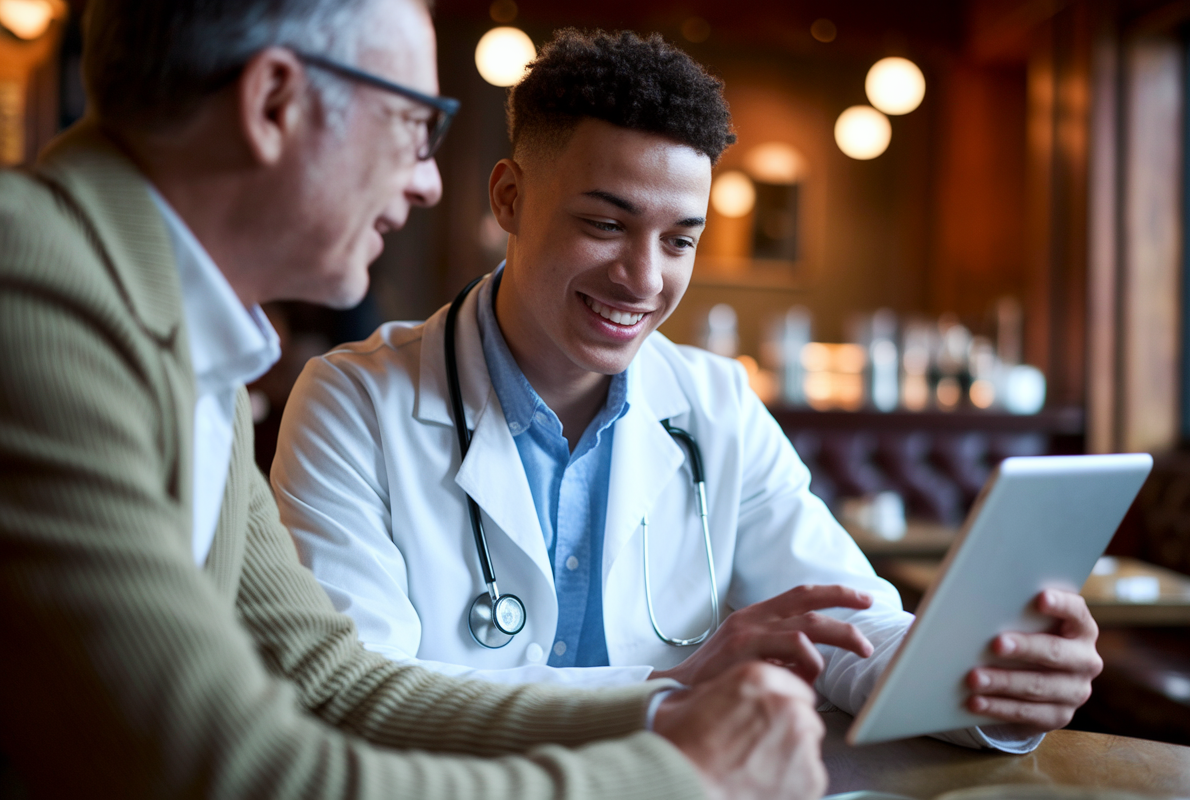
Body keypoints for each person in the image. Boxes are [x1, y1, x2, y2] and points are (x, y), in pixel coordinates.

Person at [0, 2, 830, 798]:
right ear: (274, 103)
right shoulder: (32, 286)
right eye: (411, 124)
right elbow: (231, 771)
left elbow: (333, 683)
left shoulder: (182, 336)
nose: (430, 181)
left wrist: (668, 708)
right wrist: (689, 779)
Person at [272, 27, 1103, 754]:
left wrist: (992, 681)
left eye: (680, 240)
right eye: (605, 224)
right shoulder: (352, 403)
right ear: (509, 200)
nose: (643, 278)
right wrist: (671, 690)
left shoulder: (716, 404)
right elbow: (356, 700)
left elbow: (846, 628)